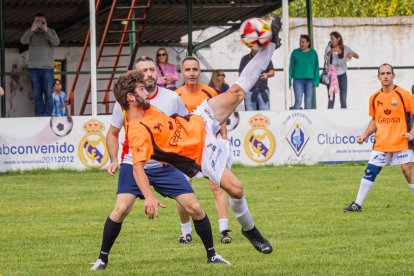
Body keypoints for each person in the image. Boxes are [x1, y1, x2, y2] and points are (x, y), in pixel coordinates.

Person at [114, 29, 280, 260]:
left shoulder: (150, 103)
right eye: (141, 88)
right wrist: (149, 197)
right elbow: (138, 167)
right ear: (131, 97)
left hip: (199, 119)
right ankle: (250, 229)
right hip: (198, 154)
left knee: (236, 92)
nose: (147, 88)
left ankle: (270, 45)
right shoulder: (138, 130)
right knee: (237, 189)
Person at [90, 56, 230, 270]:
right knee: (121, 208)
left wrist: (188, 159)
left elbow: (185, 127)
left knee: (194, 206)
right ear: (135, 79)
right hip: (133, 164)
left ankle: (212, 254)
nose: (148, 74)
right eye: (143, 71)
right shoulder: (126, 104)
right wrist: (113, 159)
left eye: (151, 69)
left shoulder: (171, 98)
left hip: (165, 165)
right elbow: (113, 133)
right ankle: (102, 259)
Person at [343, 64, 414, 212]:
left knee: (408, 171)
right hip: (381, 143)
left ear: (393, 76)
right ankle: (357, 204)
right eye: (383, 74)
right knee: (370, 172)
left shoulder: (404, 94)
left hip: (401, 142)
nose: (386, 76)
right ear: (378, 77)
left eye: (388, 73)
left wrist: (412, 133)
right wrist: (365, 135)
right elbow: (375, 120)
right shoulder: (374, 97)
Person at [176, 58, 232, 244]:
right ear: (182, 72)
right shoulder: (175, 96)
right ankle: (186, 232)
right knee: (183, 189)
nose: (191, 73)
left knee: (217, 186)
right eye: (187, 69)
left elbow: (220, 115)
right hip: (186, 149)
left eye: (195, 69)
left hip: (209, 146)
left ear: (199, 72)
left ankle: (224, 230)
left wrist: (224, 136)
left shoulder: (210, 92)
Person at [20, 13, 60, 116]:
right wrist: (32, 29)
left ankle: (47, 115)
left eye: (42, 21)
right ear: (33, 21)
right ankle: (39, 115)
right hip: (34, 68)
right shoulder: (31, 33)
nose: (40, 23)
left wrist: (46, 29)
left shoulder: (51, 31)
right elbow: (23, 41)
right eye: (37, 21)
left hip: (47, 67)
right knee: (37, 94)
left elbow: (56, 42)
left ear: (46, 22)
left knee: (48, 94)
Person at [324, 31, 358, 109]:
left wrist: (352, 54)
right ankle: (329, 116)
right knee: (331, 99)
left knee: (343, 99)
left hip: (342, 75)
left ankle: (344, 116)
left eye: (333, 39)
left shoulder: (345, 48)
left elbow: (357, 56)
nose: (331, 41)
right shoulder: (329, 47)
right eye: (330, 39)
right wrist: (332, 50)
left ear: (338, 39)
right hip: (331, 75)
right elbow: (325, 57)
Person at [289, 34, 319, 110]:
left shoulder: (313, 53)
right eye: (300, 42)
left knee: (308, 102)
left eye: (303, 42)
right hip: (297, 80)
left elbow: (316, 68)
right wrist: (289, 80)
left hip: (310, 81)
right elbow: (291, 67)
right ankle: (294, 120)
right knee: (298, 101)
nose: (301, 44)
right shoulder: (295, 52)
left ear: (308, 43)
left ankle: (307, 121)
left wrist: (316, 81)